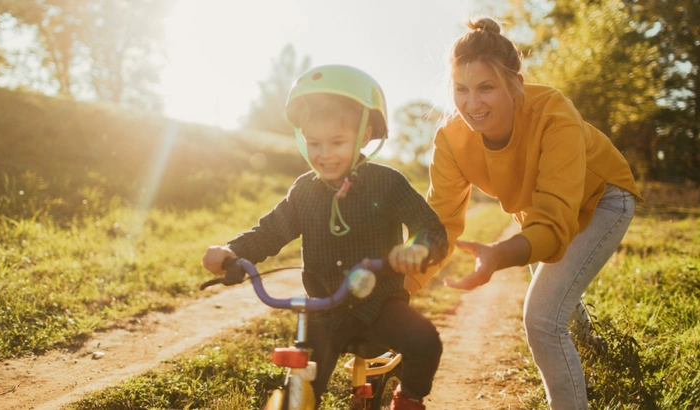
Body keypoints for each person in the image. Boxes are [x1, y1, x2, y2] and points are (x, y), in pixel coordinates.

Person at [425, 17, 644, 410]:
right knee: (553, 284)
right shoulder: (451, 139)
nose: (472, 104)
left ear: (516, 85)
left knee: (542, 319)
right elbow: (438, 223)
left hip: (603, 197)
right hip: (538, 209)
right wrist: (395, 289)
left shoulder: (554, 114)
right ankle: (592, 346)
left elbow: (556, 222)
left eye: (486, 88)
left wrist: (500, 255)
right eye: (461, 89)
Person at [202, 64, 448, 410]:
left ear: (363, 137)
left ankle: (408, 399)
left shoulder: (388, 184)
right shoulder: (305, 191)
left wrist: (418, 250)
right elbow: (272, 230)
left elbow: (432, 229)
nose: (324, 154)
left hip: (380, 306)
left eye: (337, 142)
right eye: (314, 143)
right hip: (323, 312)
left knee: (425, 340)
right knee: (300, 391)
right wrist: (232, 251)